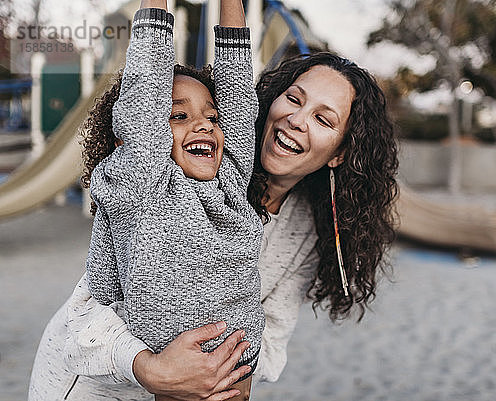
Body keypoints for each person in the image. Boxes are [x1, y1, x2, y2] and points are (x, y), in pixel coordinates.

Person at [28, 25, 399, 401]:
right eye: (293, 99)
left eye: (323, 119)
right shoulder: (188, 172)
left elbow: (269, 336)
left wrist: (221, 374)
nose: (297, 120)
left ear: (339, 152)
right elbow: (84, 317)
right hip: (92, 385)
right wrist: (148, 367)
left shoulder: (307, 227)